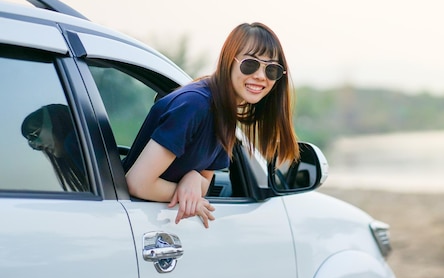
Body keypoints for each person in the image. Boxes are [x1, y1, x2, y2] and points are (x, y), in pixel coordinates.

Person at [122, 22, 300, 228]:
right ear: (228, 61)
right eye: (250, 64)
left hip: (152, 223)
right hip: (133, 223)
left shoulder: (224, 112)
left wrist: (193, 178)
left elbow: (205, 182)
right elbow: (137, 183)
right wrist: (189, 198)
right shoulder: (194, 105)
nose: (261, 76)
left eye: (272, 70)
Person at [21, 104, 89, 192]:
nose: (37, 145)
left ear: (56, 122)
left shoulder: (73, 141)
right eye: (31, 142)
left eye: (35, 135)